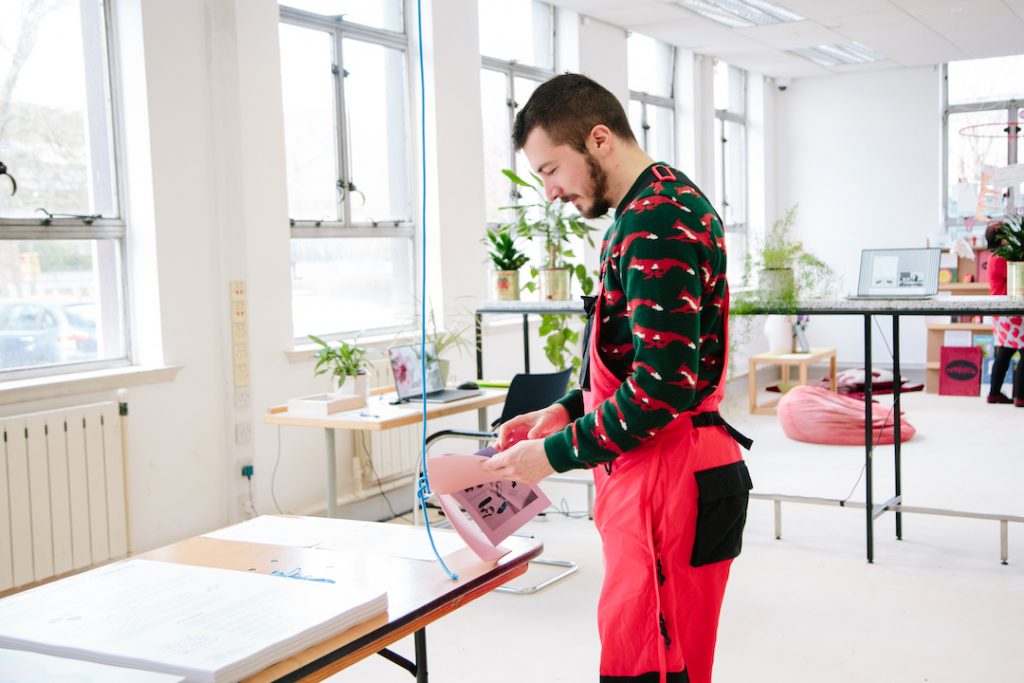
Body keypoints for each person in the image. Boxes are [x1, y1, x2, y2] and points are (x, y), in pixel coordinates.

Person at [481, 73, 753, 683]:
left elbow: (661, 389)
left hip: (669, 473)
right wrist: (568, 410)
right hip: (655, 469)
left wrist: (550, 455)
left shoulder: (657, 220)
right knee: (643, 654)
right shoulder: (646, 210)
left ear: (598, 140)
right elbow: (642, 360)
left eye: (552, 169)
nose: (549, 191)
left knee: (653, 667)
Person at [984, 221, 1023, 406]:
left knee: (1005, 351)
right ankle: (1021, 396)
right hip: (1011, 311)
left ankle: (994, 393)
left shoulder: (993, 255)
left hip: (1001, 311)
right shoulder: (1002, 258)